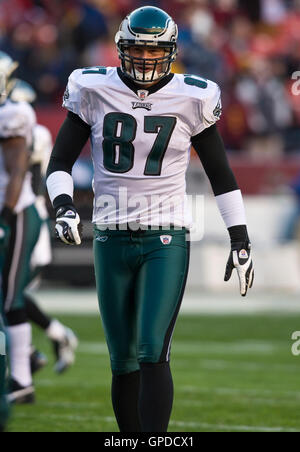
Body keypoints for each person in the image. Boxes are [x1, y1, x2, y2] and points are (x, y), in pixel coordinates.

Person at [46, 6, 254, 432]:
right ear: (121, 48)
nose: (144, 58)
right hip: (109, 236)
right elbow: (59, 160)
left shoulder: (192, 96)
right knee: (121, 358)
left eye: (154, 50)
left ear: (171, 51)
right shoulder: (93, 88)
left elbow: (221, 174)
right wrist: (63, 205)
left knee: (151, 349)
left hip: (166, 236)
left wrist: (240, 238)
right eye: (137, 50)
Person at [9, 79, 79, 377]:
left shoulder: (25, 131)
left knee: (10, 294)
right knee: (11, 295)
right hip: (25, 215)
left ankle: (29, 357)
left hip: (25, 217)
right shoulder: (32, 130)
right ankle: (37, 348)